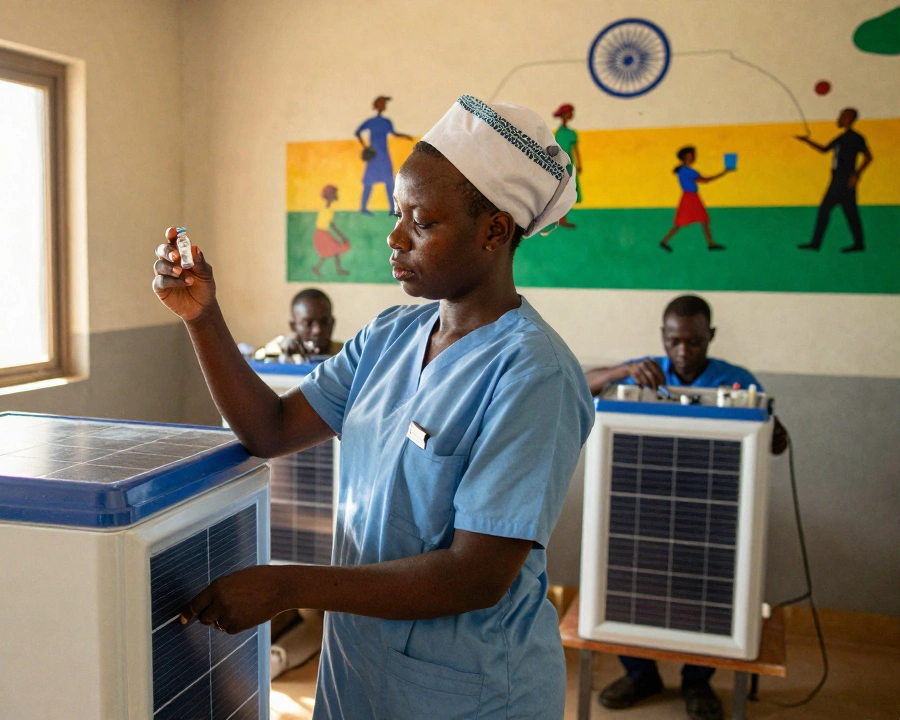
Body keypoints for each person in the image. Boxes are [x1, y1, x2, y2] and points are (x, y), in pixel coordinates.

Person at [154, 94, 590, 718]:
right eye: (395, 214)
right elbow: (268, 428)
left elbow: (475, 575)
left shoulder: (533, 374)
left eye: (422, 222)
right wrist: (202, 317)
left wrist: (287, 585)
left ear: (494, 230)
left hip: (471, 690)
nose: (393, 238)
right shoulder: (389, 337)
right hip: (357, 669)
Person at [585, 294, 788, 720]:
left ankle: (697, 681)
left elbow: (770, 439)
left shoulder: (735, 380)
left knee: (709, 593)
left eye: (694, 341)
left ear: (710, 336)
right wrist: (623, 370)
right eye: (674, 340)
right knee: (634, 587)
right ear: (663, 336)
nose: (683, 350)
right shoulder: (643, 372)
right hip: (643, 511)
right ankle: (641, 674)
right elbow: (583, 384)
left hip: (713, 517)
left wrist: (770, 426)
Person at [796, 108, 872, 253]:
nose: (839, 118)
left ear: (850, 118)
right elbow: (824, 149)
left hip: (844, 181)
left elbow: (868, 157)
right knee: (841, 211)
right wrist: (807, 141)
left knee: (842, 211)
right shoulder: (841, 137)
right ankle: (817, 243)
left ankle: (819, 243)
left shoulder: (856, 137)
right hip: (837, 179)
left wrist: (856, 175)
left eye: (843, 116)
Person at [660, 146, 730, 253]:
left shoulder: (682, 169)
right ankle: (664, 241)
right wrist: (724, 172)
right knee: (683, 222)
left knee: (703, 219)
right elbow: (705, 180)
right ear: (685, 157)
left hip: (691, 196)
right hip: (690, 197)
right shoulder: (688, 171)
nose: (691, 157)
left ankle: (711, 243)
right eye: (689, 155)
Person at [355, 95, 414, 215]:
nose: (384, 106)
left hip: (382, 156)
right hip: (375, 157)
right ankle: (364, 207)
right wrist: (365, 147)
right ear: (378, 106)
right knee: (370, 182)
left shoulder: (386, 122)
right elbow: (358, 132)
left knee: (388, 182)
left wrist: (405, 136)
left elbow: (393, 133)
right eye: (383, 104)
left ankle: (392, 208)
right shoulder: (373, 122)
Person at [255, 288, 343, 360]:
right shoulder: (279, 354)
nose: (317, 330)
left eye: (325, 321)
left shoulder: (346, 354)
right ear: (293, 326)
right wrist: (282, 352)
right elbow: (255, 359)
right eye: (308, 323)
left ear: (333, 323)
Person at [311, 184, 351, 277]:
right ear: (329, 195)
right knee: (333, 250)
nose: (336, 195)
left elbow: (331, 224)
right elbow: (331, 225)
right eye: (334, 193)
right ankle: (321, 268)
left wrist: (341, 236)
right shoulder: (325, 208)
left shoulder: (329, 208)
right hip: (321, 234)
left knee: (333, 250)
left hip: (323, 233)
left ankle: (335, 269)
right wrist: (342, 236)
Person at [552, 103, 582, 228]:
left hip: (570, 165)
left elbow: (575, 150)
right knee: (563, 192)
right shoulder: (559, 133)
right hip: (562, 166)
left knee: (568, 191)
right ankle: (560, 219)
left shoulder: (571, 133)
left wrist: (580, 163)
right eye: (569, 113)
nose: (571, 115)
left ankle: (562, 219)